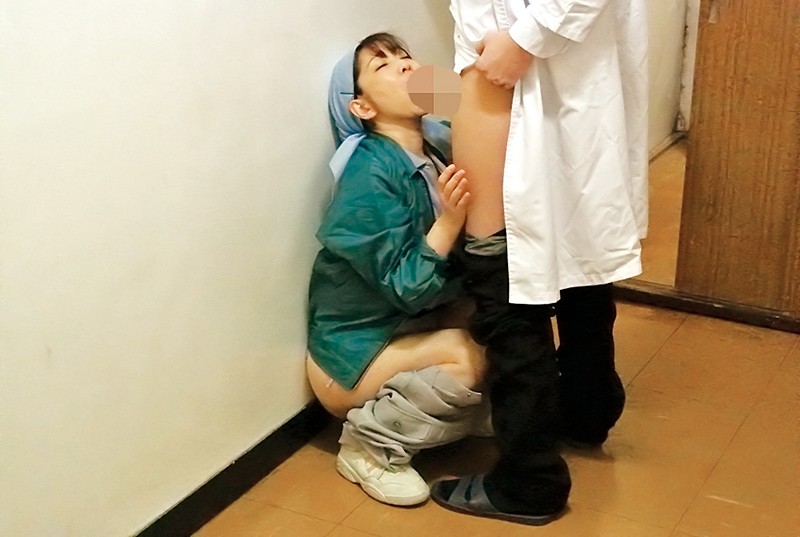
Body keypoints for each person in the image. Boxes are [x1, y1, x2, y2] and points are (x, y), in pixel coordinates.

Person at [430, 0, 649, 526]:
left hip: (509, 83)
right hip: (533, 87)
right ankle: (587, 410)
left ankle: (531, 478)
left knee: (501, 287)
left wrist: (527, 37)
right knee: (578, 267)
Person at [306, 33, 489, 507]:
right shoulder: (366, 175)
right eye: (382, 66)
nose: (406, 66)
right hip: (353, 355)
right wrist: (449, 222)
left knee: (500, 327)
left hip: (410, 325)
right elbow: (408, 289)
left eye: (405, 56)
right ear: (362, 108)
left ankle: (447, 413)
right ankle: (367, 447)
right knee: (466, 357)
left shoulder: (435, 146)